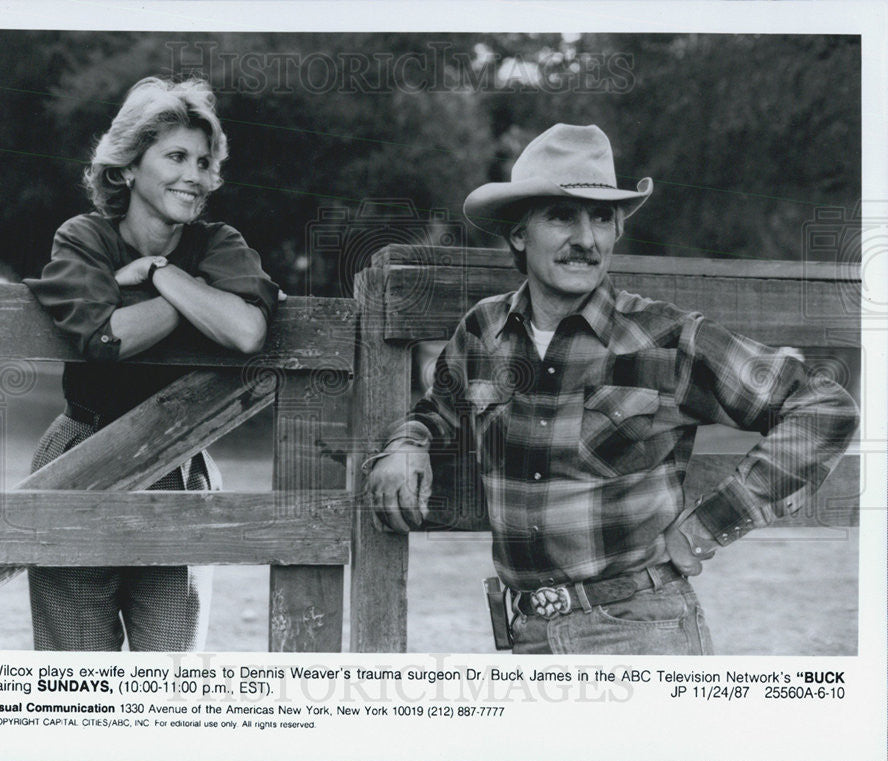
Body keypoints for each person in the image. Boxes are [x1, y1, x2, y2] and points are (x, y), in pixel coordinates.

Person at [365, 123, 859, 655]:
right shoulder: (484, 330)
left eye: (602, 217)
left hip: (639, 630)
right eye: (562, 216)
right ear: (517, 233)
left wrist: (710, 524)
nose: (587, 239)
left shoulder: (665, 339)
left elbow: (823, 406)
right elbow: (439, 411)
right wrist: (407, 445)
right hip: (526, 636)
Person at [24, 77, 279, 651]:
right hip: (79, 453)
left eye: (204, 160)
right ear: (127, 167)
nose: (195, 174)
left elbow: (244, 331)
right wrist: (194, 302)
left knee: (166, 678)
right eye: (176, 156)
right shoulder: (84, 237)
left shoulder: (216, 243)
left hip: (182, 463)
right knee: (74, 683)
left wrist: (161, 274)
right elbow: (107, 337)